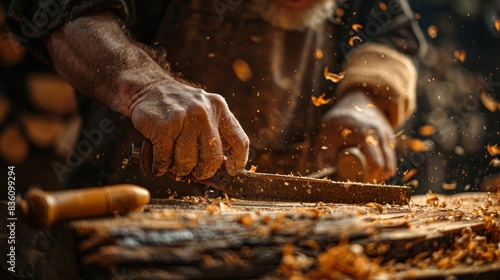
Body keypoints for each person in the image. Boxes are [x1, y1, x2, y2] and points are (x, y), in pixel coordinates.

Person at [4, 0, 424, 194]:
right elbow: (56, 9)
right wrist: (144, 85)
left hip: (293, 231)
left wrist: (364, 99)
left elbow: (392, 31)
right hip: (123, 214)